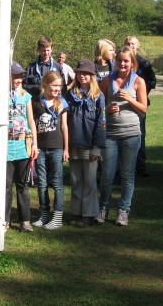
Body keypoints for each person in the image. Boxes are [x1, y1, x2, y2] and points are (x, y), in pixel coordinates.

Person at [99, 46, 147, 226]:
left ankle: (123, 211)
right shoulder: (106, 80)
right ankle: (103, 209)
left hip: (131, 133)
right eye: (119, 60)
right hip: (110, 133)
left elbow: (144, 109)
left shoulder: (138, 81)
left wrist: (129, 99)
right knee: (107, 174)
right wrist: (107, 109)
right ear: (115, 61)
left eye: (126, 60)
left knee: (127, 175)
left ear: (132, 62)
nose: (123, 64)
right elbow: (100, 106)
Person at [65, 59, 106, 228]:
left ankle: (88, 214)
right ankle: (76, 212)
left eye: (87, 74)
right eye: (80, 73)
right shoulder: (69, 94)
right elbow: (64, 120)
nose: (83, 76)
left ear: (92, 76)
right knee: (76, 180)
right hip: (74, 143)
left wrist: (97, 147)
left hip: (90, 145)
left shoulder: (98, 96)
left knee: (89, 181)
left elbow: (101, 123)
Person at [31, 71, 69, 230]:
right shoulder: (35, 102)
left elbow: (64, 126)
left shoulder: (61, 102)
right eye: (54, 85)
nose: (57, 89)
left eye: (59, 86)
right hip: (40, 148)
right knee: (42, 183)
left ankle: (57, 217)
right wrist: (33, 144)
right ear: (45, 85)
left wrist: (66, 148)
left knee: (57, 182)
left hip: (56, 147)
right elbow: (32, 123)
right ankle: (44, 214)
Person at [6, 62, 39, 232]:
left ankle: (24, 220)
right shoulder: (0, 96)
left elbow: (31, 120)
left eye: (20, 76)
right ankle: (4, 220)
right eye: (14, 76)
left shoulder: (26, 96)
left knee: (22, 185)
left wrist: (34, 143)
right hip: (5, 146)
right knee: (5, 185)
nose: (18, 79)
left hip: (22, 145)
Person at [124, 36, 156, 177]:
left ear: (138, 47)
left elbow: (152, 82)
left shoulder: (144, 64)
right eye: (128, 44)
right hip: (123, 104)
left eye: (132, 44)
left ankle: (140, 166)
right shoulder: (120, 61)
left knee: (140, 134)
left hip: (139, 104)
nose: (130, 46)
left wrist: (140, 95)